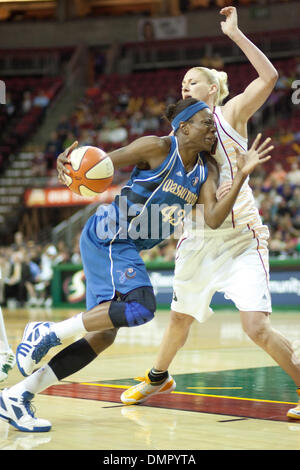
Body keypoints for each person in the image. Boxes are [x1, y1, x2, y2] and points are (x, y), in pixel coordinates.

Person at [0, 98, 272, 432]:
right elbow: (98, 164)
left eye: (214, 125)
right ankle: (46, 332)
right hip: (110, 234)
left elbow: (214, 218)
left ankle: (17, 396)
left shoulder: (207, 169)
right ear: (183, 126)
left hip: (124, 244)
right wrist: (69, 165)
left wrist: (243, 174)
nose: (212, 129)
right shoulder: (156, 147)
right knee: (140, 307)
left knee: (102, 336)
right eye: (205, 123)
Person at [121, 6, 300, 421]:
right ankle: (157, 376)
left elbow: (270, 78)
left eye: (193, 80)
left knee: (255, 327)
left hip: (241, 238)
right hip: (198, 239)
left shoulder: (231, 114)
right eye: (182, 82)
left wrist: (235, 34)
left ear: (213, 89)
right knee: (180, 318)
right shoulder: (177, 136)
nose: (185, 84)